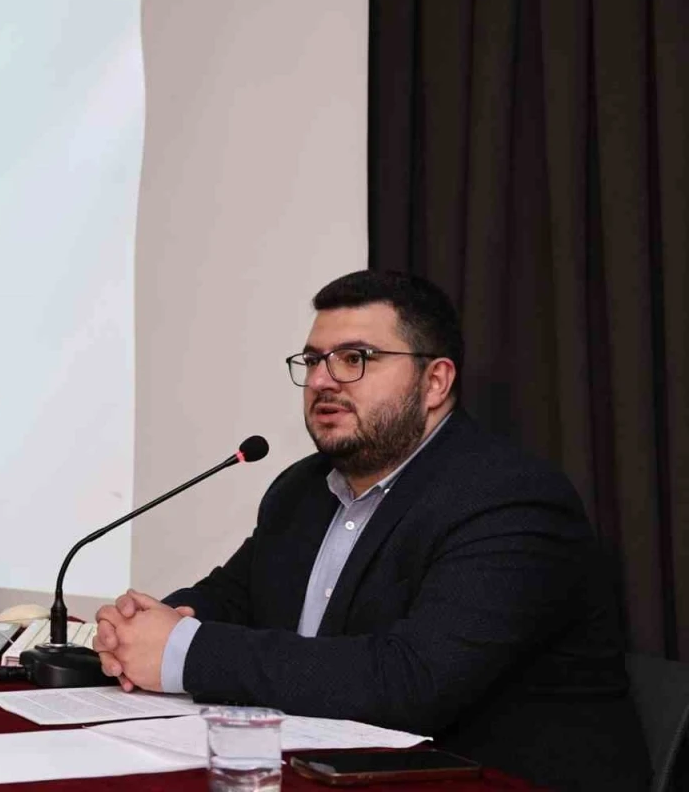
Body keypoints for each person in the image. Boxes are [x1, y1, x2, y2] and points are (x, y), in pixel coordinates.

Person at [94, 270, 649, 790]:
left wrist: (185, 651)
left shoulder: (509, 498)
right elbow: (234, 596)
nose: (321, 380)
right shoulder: (302, 488)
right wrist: (143, 629)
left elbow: (412, 681)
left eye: (354, 358)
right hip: (336, 770)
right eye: (313, 360)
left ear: (435, 382)